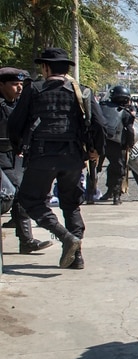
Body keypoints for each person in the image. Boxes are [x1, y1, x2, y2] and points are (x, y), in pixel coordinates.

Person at [8, 47, 105, 269]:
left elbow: (15, 123)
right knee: (71, 205)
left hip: (42, 156)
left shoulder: (34, 89)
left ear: (45, 67)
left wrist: (18, 146)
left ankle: (65, 236)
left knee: (29, 200)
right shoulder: (82, 91)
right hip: (73, 157)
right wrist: (96, 150)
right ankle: (76, 257)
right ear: (66, 69)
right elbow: (100, 124)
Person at [0, 66, 53, 254]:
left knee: (20, 195)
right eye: (15, 84)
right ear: (2, 85)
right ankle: (27, 240)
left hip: (15, 155)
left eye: (21, 84)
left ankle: (26, 241)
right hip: (2, 156)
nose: (19, 88)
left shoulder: (19, 105)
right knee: (14, 194)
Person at [99, 85, 138, 204]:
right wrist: (130, 144)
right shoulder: (125, 113)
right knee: (119, 169)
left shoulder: (102, 107)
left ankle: (93, 194)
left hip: (100, 142)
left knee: (97, 169)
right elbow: (130, 131)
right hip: (117, 144)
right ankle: (116, 195)